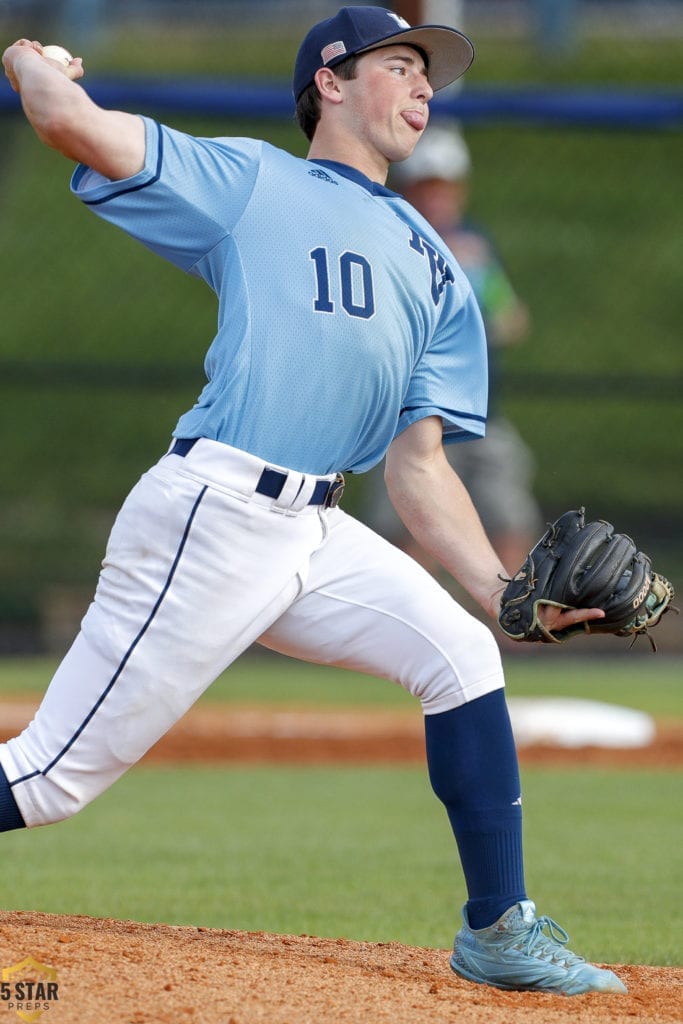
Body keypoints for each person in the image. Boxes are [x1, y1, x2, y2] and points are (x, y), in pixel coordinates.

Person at [1, 6, 625, 996]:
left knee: (460, 655)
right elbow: (70, 122)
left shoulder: (435, 267)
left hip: (313, 530)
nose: (423, 85)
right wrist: (29, 56)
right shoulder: (254, 182)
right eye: (399, 64)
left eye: (431, 73)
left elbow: (417, 467)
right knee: (47, 780)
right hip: (213, 513)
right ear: (329, 83)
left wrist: (503, 590)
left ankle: (498, 927)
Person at [363, 124, 544, 577]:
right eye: (426, 189)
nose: (438, 200)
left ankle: (518, 625)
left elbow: (510, 323)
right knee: (408, 526)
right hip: (411, 414)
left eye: (446, 189)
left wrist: (474, 281)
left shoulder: (474, 245)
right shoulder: (389, 235)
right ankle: (409, 625)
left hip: (481, 411)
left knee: (509, 513)